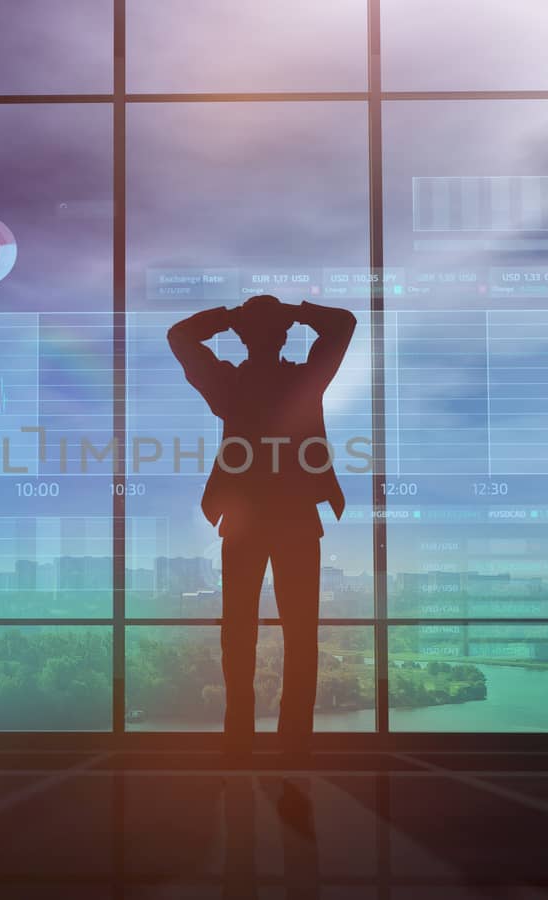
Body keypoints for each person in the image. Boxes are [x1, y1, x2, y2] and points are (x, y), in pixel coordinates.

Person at [167, 294, 356, 755]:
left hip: (245, 518)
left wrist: (230, 317)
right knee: (301, 632)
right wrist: (296, 310)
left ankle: (239, 735)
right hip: (294, 516)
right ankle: (295, 738)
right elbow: (343, 323)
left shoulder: (229, 387)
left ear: (243, 336)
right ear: (286, 334)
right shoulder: (304, 382)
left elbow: (180, 336)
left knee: (238, 630)